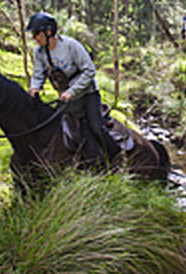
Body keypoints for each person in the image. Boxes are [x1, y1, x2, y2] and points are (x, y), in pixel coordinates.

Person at [25, 11, 121, 165]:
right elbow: (38, 73)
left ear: (48, 32)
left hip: (87, 94)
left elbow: (90, 70)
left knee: (96, 128)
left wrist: (72, 91)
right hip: (66, 98)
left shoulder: (71, 45)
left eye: (36, 33)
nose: (34, 38)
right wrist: (34, 87)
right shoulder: (39, 52)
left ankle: (117, 157)